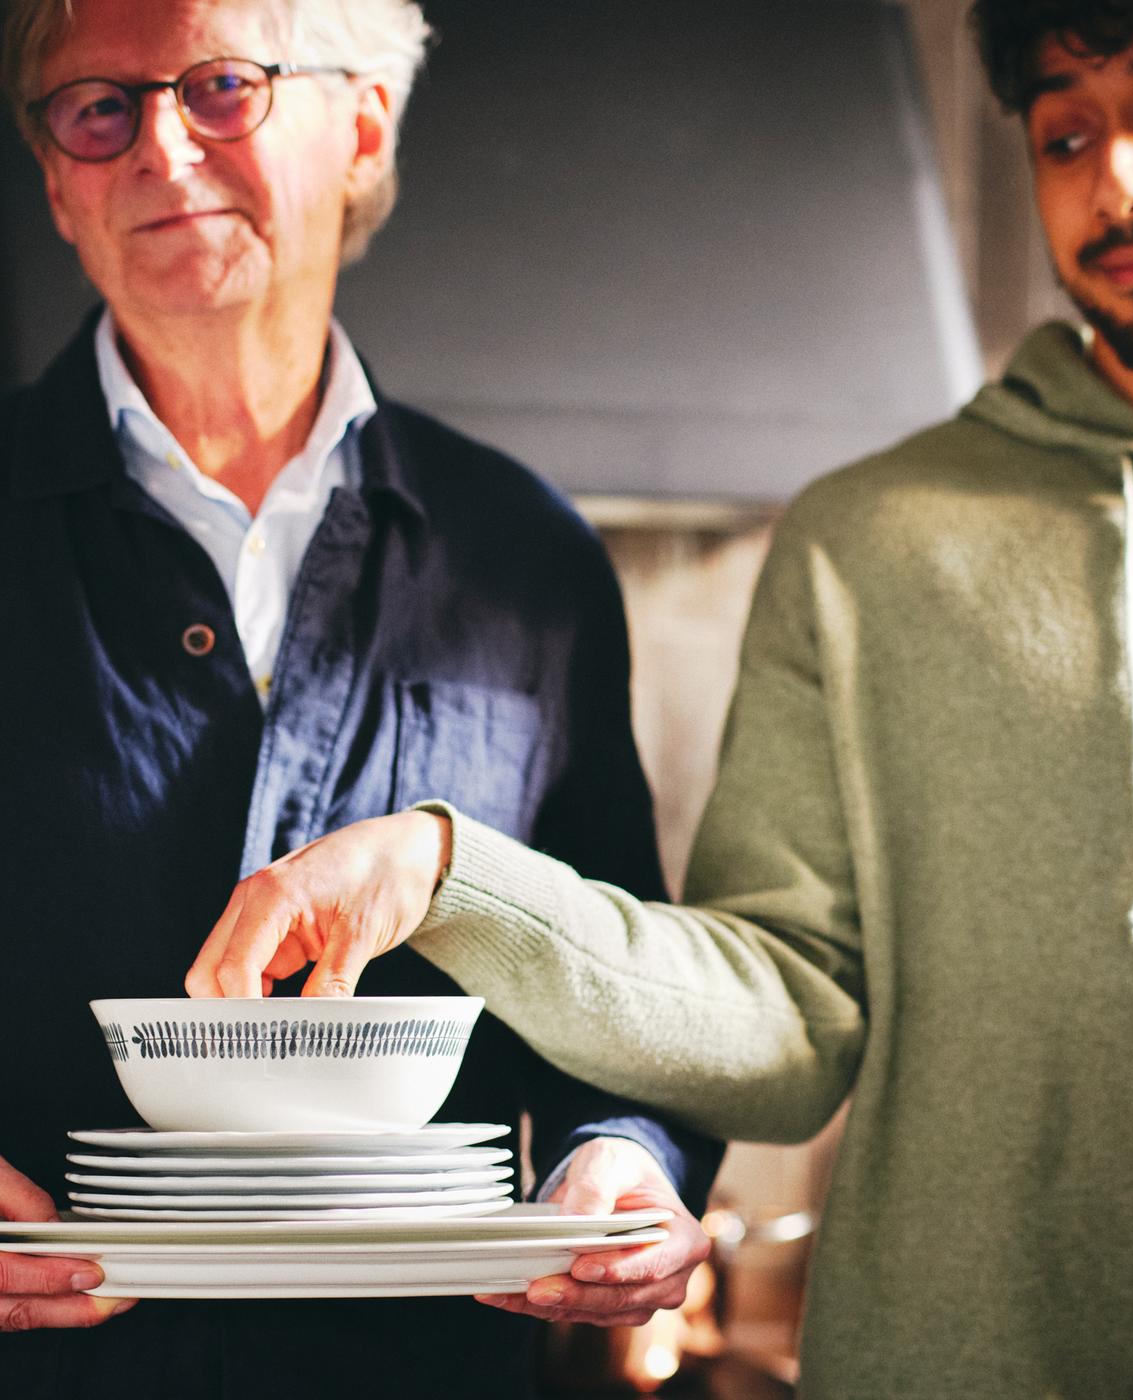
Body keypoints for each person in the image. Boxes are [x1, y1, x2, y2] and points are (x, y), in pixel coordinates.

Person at [186, 0, 1133, 1395]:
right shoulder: (874, 542)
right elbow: (785, 1011)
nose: (1117, 179)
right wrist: (445, 877)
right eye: (1065, 135)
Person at [0, 0, 720, 1393]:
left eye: (221, 88)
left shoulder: (529, 556)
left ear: (364, 128)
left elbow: (618, 975)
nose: (159, 146)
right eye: (99, 105)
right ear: (55, 180)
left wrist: (621, 1158)